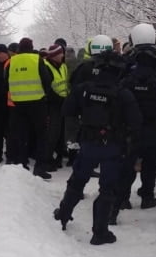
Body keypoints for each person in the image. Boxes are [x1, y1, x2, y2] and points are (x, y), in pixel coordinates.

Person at [53, 35, 143, 245]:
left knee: (77, 181)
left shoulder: (84, 89)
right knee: (107, 188)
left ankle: (63, 215)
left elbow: (68, 111)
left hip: (88, 142)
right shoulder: (123, 94)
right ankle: (100, 232)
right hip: (113, 145)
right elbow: (136, 122)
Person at [118, 23, 156, 217]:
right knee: (151, 161)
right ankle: (148, 196)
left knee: (128, 162)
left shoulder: (128, 62)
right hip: (155, 123)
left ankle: (123, 198)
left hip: (131, 125)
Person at [5, 37, 53, 180]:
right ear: (32, 47)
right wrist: (45, 95)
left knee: (21, 135)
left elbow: (5, 80)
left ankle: (21, 163)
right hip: (37, 103)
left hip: (18, 104)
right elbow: (47, 79)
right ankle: (39, 167)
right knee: (41, 135)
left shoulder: (12, 61)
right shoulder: (37, 59)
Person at [42, 44, 69, 170]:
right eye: (60, 54)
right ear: (53, 56)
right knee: (52, 133)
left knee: (60, 133)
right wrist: (60, 99)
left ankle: (57, 157)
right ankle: (46, 160)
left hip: (62, 103)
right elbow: (47, 88)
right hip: (52, 104)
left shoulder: (63, 66)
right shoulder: (46, 67)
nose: (62, 55)